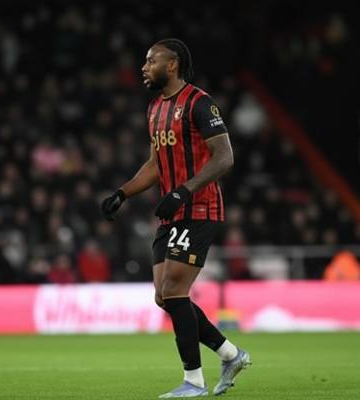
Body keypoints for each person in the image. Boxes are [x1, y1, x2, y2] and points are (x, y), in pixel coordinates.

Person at [101, 38, 250, 398]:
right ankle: (230, 354)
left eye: (151, 61)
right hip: (172, 213)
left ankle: (193, 382)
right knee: (164, 296)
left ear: (172, 65)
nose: (144, 67)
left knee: (174, 291)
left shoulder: (200, 103)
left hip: (199, 209)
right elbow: (156, 165)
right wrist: (123, 193)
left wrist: (184, 191)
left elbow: (224, 157)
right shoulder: (155, 108)